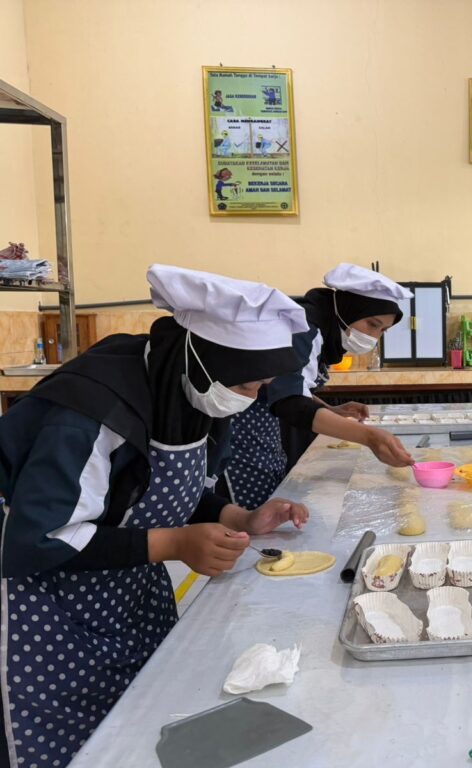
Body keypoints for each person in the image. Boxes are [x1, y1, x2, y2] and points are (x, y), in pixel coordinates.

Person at [0, 265, 311, 767]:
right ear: (204, 360)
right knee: (73, 745)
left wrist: (241, 517)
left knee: (141, 728)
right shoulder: (92, 412)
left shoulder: (194, 397)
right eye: (247, 384)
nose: (251, 398)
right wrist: (174, 544)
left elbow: (174, 490)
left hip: (129, 594)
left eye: (262, 386)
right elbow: (42, 537)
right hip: (50, 610)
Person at [223, 264, 414, 509]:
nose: (374, 337)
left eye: (383, 330)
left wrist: (330, 410)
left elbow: (292, 386)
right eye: (371, 324)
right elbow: (289, 402)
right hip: (239, 435)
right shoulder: (303, 327)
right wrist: (369, 437)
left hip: (263, 431)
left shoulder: (321, 327)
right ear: (348, 309)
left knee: (269, 504)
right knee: (248, 514)